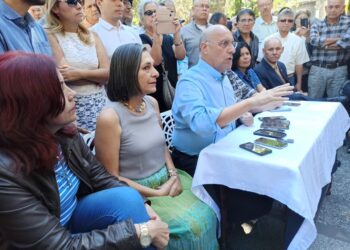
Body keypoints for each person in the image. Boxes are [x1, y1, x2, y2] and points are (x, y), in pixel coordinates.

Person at [0, 51, 170, 249]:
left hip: (74, 218)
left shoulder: (66, 135)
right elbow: (58, 246)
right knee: (144, 233)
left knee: (130, 199)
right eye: (59, 88)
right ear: (30, 102)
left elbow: (101, 177)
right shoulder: (6, 175)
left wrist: (143, 206)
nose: (72, 94)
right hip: (51, 241)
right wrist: (140, 232)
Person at [171, 24, 293, 239]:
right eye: (224, 44)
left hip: (224, 150)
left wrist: (243, 113)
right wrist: (249, 104)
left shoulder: (224, 76)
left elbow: (227, 112)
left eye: (232, 44)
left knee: (267, 179)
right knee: (256, 199)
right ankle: (230, 232)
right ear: (204, 48)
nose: (232, 50)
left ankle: (239, 224)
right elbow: (201, 124)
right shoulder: (190, 81)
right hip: (197, 159)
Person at [94, 43, 218, 250]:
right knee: (189, 226)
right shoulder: (110, 117)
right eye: (146, 68)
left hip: (167, 179)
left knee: (210, 210)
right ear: (126, 72)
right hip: (136, 194)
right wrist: (157, 194)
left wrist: (173, 175)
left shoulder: (151, 103)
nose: (156, 73)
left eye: (153, 66)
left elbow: (161, 146)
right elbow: (111, 178)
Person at [46, 0, 109, 131]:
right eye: (71, 2)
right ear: (55, 8)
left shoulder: (94, 35)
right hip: (74, 107)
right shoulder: (49, 35)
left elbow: (108, 74)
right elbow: (66, 76)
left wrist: (80, 74)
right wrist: (98, 77)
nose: (79, 6)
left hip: (102, 103)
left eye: (79, 1)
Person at [138, 0, 185, 112]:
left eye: (156, 12)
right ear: (141, 19)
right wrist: (156, 35)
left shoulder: (168, 38)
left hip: (172, 88)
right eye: (149, 13)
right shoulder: (140, 38)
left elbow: (181, 55)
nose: (154, 15)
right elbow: (156, 61)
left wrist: (177, 33)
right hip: (155, 92)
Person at [308, 0, 350, 98]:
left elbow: (348, 41)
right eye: (330, 7)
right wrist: (340, 39)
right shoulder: (317, 24)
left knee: (336, 102)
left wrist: (324, 44)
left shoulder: (348, 23)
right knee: (312, 102)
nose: (333, 10)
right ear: (326, 8)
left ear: (343, 8)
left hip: (339, 69)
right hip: (317, 69)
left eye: (337, 7)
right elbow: (314, 41)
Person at [268, 8, 310, 92]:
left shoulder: (298, 41)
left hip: (290, 78)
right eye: (283, 20)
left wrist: (299, 83)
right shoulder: (268, 40)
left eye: (290, 21)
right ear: (277, 23)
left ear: (292, 23)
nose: (286, 23)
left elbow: (299, 64)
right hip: (271, 77)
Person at [181, 0, 211, 68]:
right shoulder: (184, 31)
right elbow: (180, 59)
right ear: (193, 9)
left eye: (207, 6)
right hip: (193, 75)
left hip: (213, 75)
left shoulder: (214, 30)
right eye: (201, 6)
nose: (204, 9)